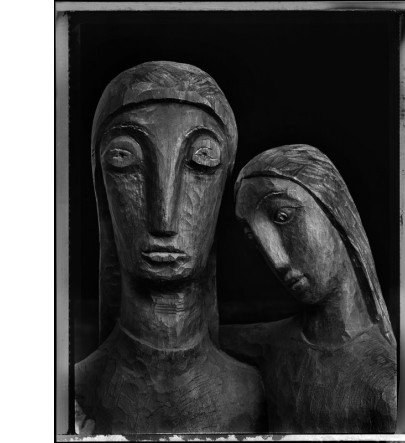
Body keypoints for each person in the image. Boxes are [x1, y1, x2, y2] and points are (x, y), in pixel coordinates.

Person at [75, 61, 265, 435]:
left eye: (202, 160)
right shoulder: (67, 396)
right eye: (124, 158)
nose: (164, 220)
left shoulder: (258, 393)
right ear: (101, 189)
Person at [221, 144, 397, 433]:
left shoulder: (385, 387)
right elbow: (205, 338)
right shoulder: (271, 347)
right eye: (254, 237)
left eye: (283, 217)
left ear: (334, 211)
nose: (276, 259)